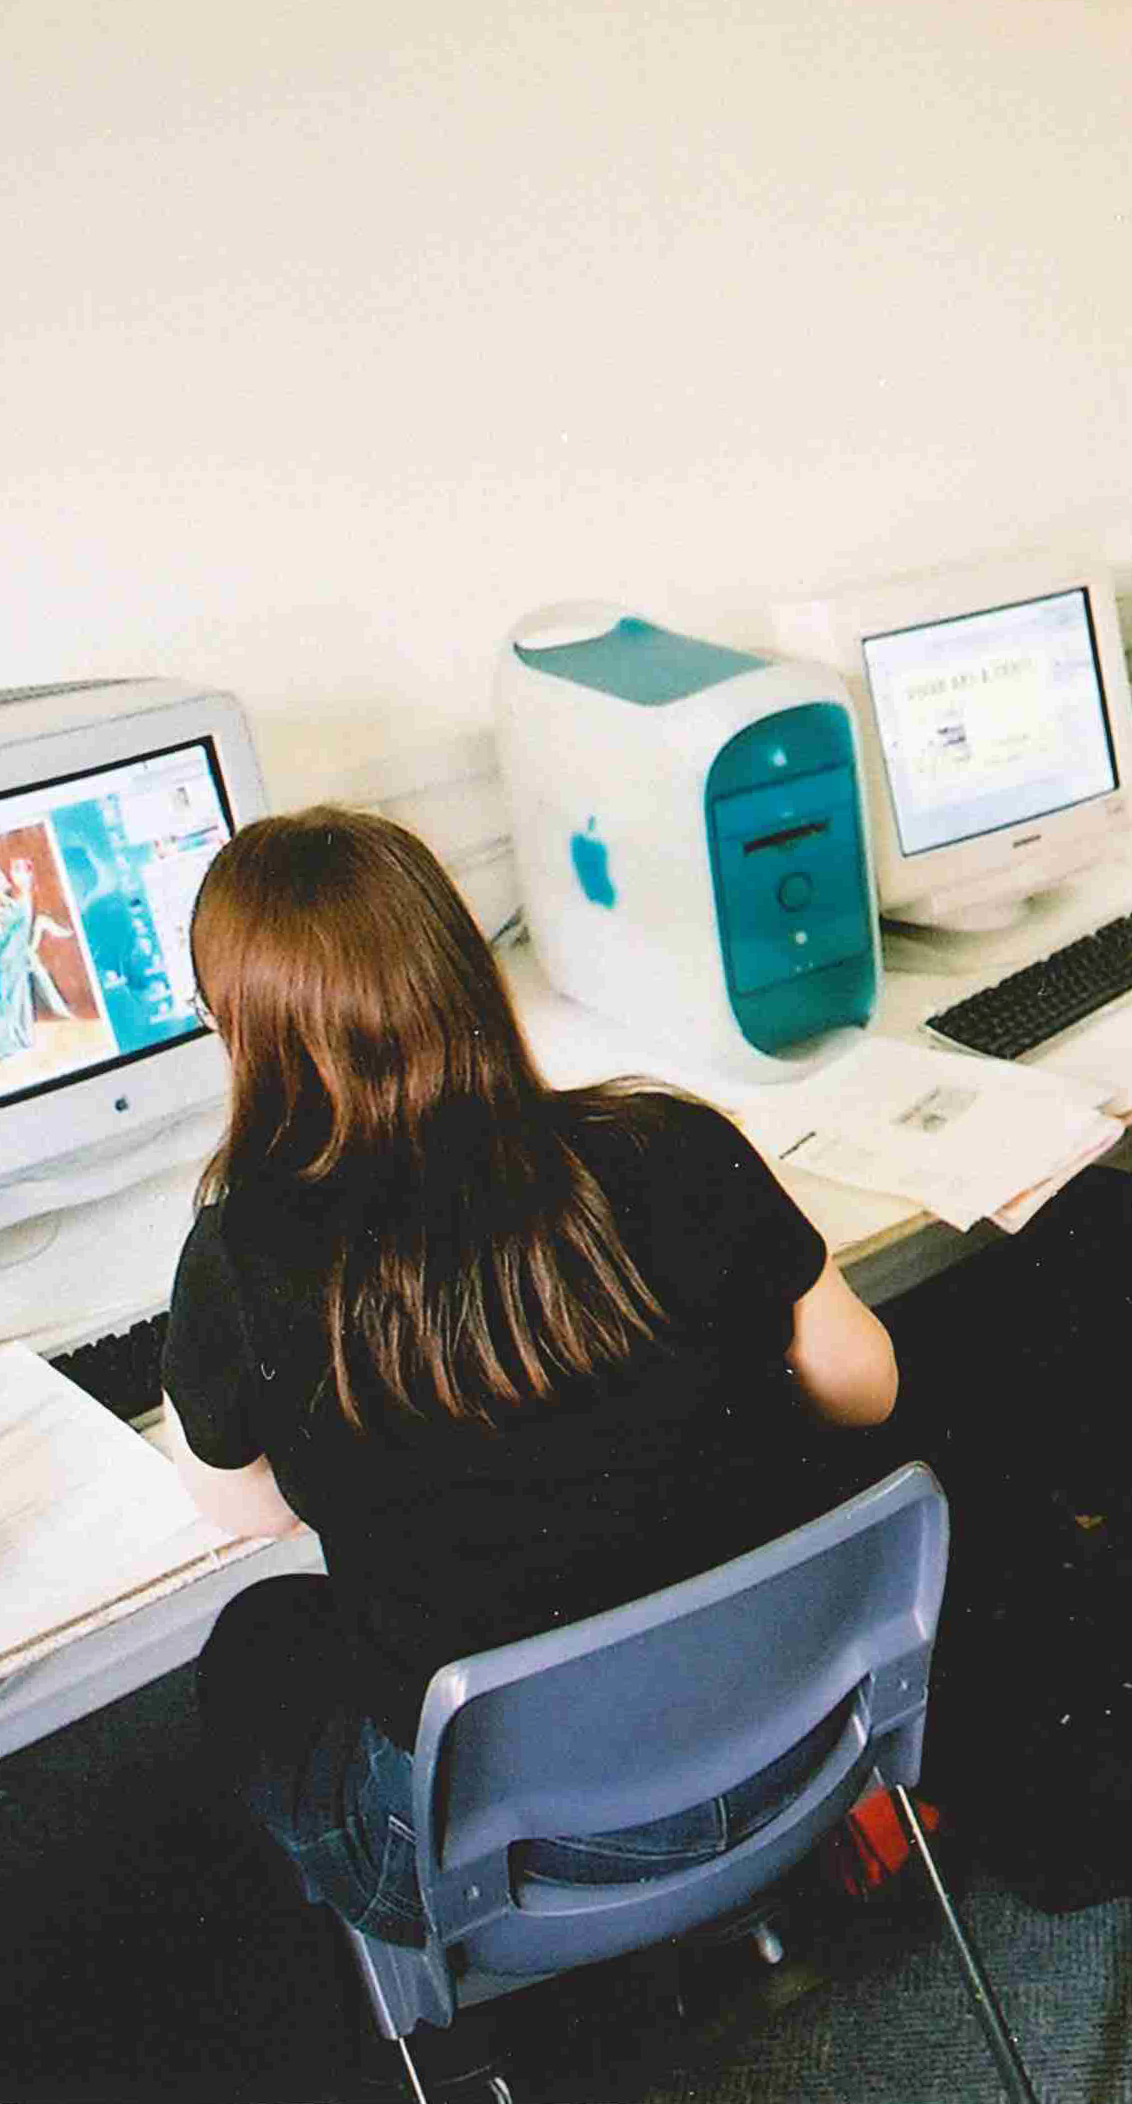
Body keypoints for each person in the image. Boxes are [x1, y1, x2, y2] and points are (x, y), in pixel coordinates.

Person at [158, 809, 898, 1956]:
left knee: (260, 1639)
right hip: (800, 1739)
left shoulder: (245, 1255)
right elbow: (866, 1390)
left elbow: (258, 1511)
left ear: (234, 1031)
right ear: (462, 971)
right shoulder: (671, 1141)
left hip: (508, 1860)